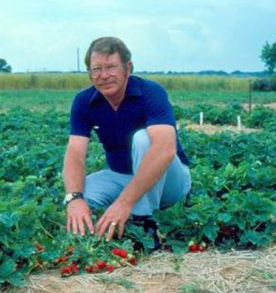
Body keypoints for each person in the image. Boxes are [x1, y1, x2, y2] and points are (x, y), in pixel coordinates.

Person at [63, 36, 191, 247]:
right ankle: (90, 225)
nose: (104, 75)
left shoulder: (150, 93)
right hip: (122, 177)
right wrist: (74, 198)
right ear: (89, 73)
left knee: (143, 139)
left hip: (169, 181)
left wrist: (124, 203)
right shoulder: (84, 102)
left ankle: (143, 222)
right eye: (96, 69)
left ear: (127, 68)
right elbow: (75, 153)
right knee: (79, 194)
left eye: (111, 67)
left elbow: (165, 150)